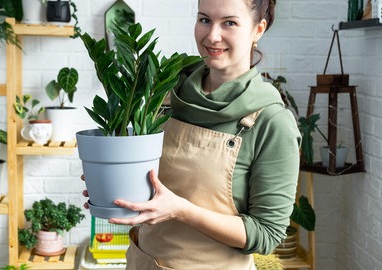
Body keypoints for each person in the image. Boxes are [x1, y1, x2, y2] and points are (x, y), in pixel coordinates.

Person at [82, 0, 301, 269]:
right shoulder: (164, 92)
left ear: (258, 30)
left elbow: (266, 235)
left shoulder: (271, 121)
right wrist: (114, 179)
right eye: (204, 19)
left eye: (229, 22)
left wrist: (181, 211)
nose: (212, 36)